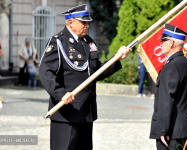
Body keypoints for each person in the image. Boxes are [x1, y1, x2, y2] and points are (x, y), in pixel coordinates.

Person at [39, 4, 131, 150]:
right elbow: (45, 72)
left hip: (86, 113)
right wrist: (60, 93)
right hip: (67, 113)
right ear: (70, 22)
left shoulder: (88, 42)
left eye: (88, 22)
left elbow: (95, 73)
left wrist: (116, 59)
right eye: (83, 22)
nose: (87, 25)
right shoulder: (58, 42)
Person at [149, 24, 187, 150]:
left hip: (171, 132)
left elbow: (166, 100)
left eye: (163, 41)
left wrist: (163, 130)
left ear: (171, 42)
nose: (161, 44)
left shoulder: (172, 66)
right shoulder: (186, 63)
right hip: (182, 129)